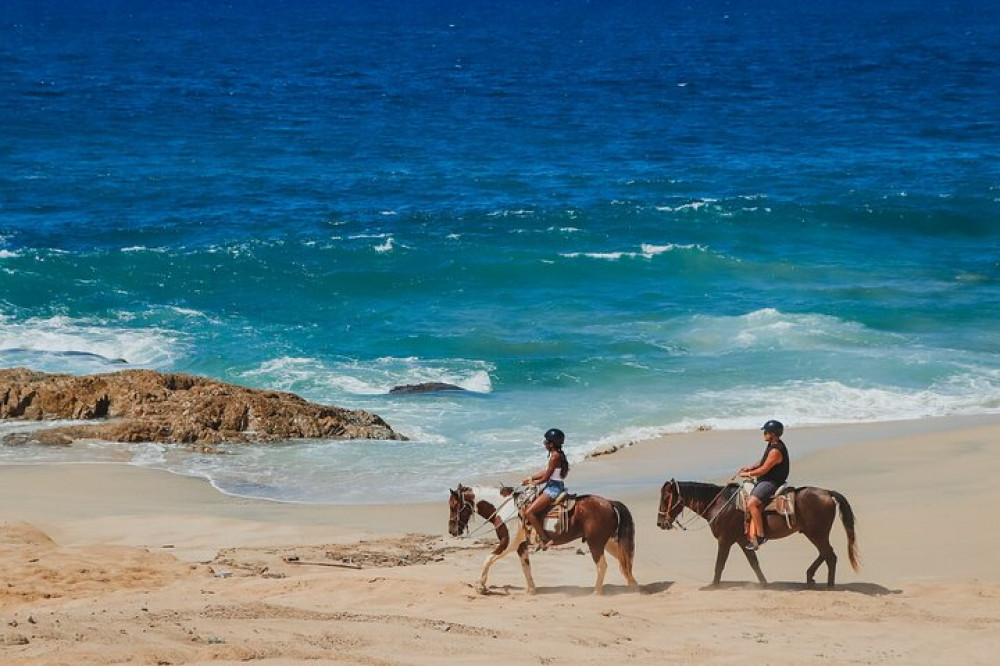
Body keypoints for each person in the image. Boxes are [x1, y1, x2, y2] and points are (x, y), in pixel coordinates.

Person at [738, 419, 789, 550]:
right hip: (765, 479)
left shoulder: (776, 451)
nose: (764, 433)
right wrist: (750, 468)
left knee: (751, 503)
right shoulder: (772, 444)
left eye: (766, 431)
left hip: (771, 482)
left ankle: (761, 536)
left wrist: (747, 475)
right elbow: (762, 461)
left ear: (772, 433)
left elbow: (764, 469)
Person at [521, 428, 570, 549]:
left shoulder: (554, 457)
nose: (545, 445)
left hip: (553, 488)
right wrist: (531, 477)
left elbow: (546, 477)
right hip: (554, 485)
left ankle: (545, 539)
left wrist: (533, 483)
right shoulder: (558, 455)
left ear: (551, 444)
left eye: (546, 442)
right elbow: (547, 471)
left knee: (529, 512)